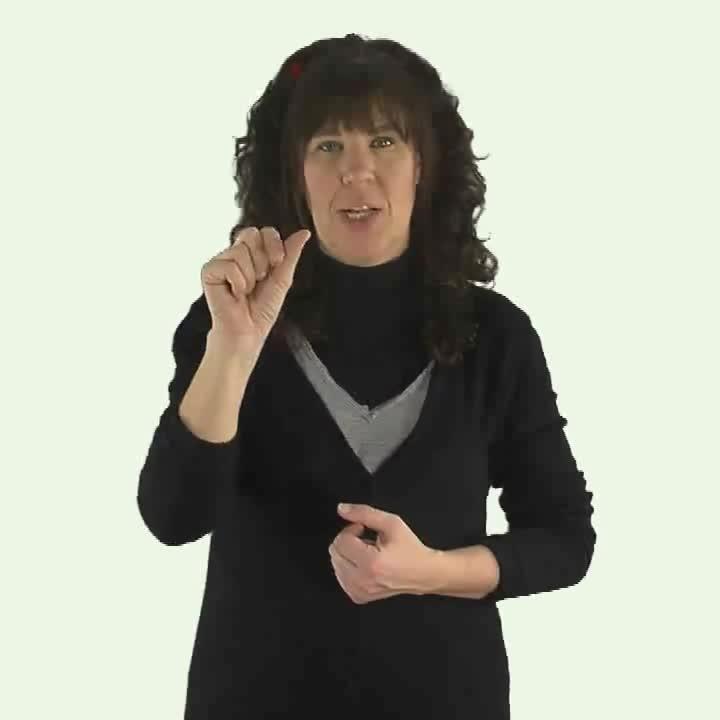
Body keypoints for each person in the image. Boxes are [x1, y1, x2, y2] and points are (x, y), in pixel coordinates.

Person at [136, 33, 597, 720]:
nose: (357, 172)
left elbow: (564, 539)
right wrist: (233, 348)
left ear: (423, 165)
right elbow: (172, 517)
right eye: (329, 146)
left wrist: (431, 571)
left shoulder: (497, 337)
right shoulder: (226, 320)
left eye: (383, 142)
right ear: (294, 172)